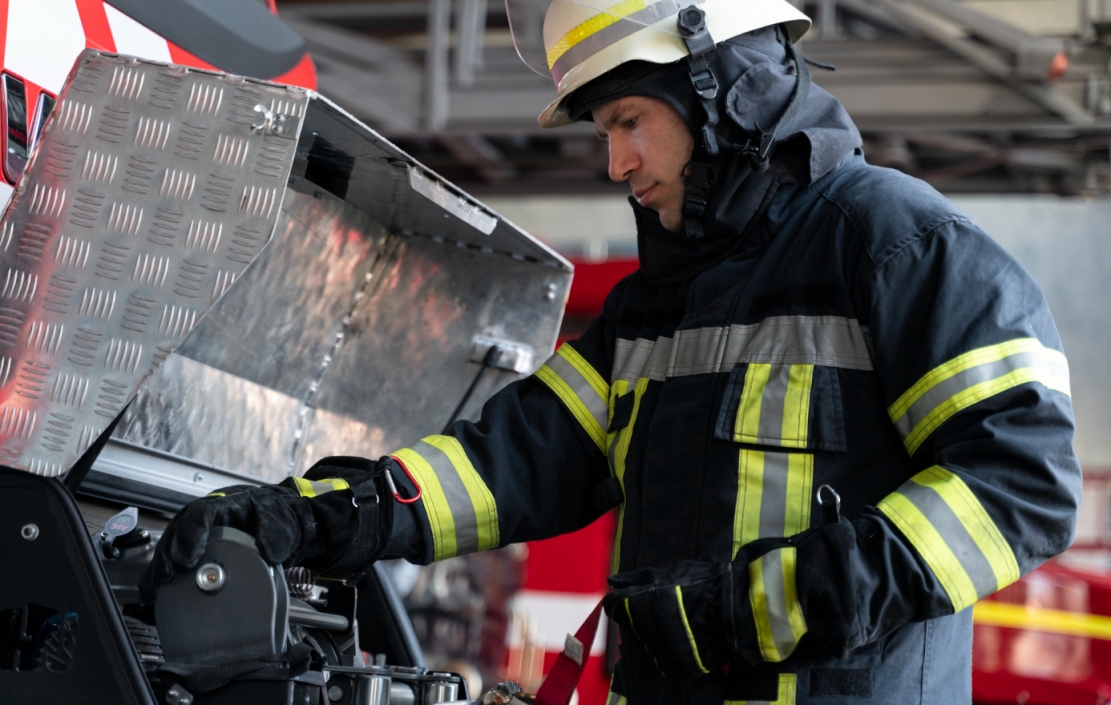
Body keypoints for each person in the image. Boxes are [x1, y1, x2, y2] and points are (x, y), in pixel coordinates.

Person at [142, 0, 1082, 702]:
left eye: (631, 120)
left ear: (723, 87)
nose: (617, 163)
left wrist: (760, 606)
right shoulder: (652, 310)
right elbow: (512, 461)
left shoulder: (896, 245)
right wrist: (317, 515)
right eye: (606, 133)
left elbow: (1020, 482)